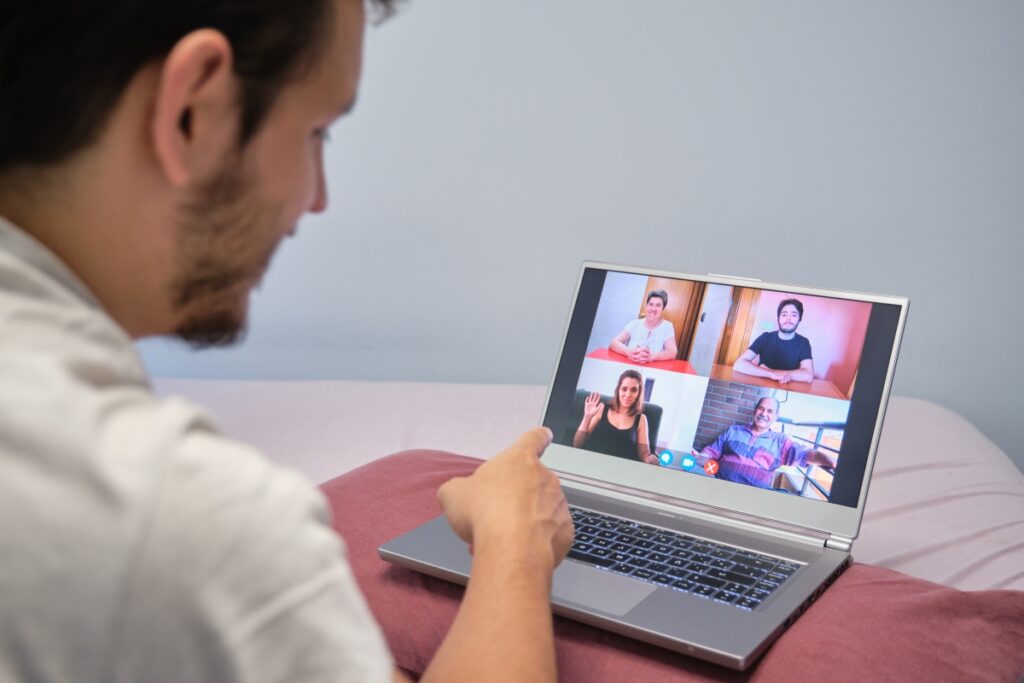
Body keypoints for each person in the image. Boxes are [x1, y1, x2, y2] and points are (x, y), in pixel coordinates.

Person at [0, 2, 573, 682]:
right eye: (316, 133)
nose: (316, 198)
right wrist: (515, 544)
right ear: (194, 110)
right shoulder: (178, 519)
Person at [691, 397, 837, 489]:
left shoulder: (780, 441)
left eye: (769, 411)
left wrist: (833, 462)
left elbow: (806, 454)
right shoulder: (733, 431)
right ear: (754, 411)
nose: (763, 414)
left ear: (775, 417)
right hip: (720, 486)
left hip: (754, 497)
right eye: (761, 408)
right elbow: (710, 452)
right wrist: (700, 457)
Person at [573, 370, 658, 464]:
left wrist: (650, 459)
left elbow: (644, 453)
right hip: (591, 463)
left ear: (639, 393)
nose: (628, 394)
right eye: (624, 389)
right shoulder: (601, 409)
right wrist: (587, 416)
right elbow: (577, 444)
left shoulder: (641, 419)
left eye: (634, 390)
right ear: (618, 390)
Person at [733, 298, 814, 384]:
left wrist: (777, 373)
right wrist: (771, 374)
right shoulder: (765, 338)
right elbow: (738, 365)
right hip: (762, 386)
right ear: (778, 318)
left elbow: (808, 375)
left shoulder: (803, 343)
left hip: (787, 389)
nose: (788, 319)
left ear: (799, 319)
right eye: (784, 315)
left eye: (794, 315)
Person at [609, 289, 679, 364]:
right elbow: (613, 343)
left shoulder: (667, 327)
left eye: (658, 305)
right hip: (630, 366)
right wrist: (629, 352)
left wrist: (653, 356)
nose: (653, 309)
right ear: (646, 306)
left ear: (663, 310)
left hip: (653, 368)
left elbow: (672, 352)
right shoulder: (634, 323)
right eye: (651, 304)